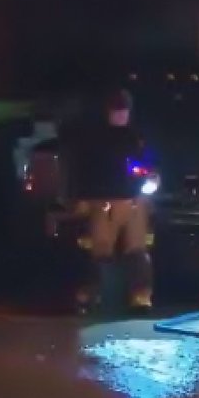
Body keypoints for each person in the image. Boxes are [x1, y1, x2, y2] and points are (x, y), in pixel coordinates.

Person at [68, 87, 155, 314]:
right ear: (108, 112)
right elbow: (83, 171)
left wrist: (149, 177)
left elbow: (148, 165)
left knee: (137, 251)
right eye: (116, 110)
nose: (120, 115)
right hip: (102, 202)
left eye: (123, 110)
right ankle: (89, 296)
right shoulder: (93, 140)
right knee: (99, 253)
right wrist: (83, 199)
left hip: (133, 201)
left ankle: (140, 296)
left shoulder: (137, 138)